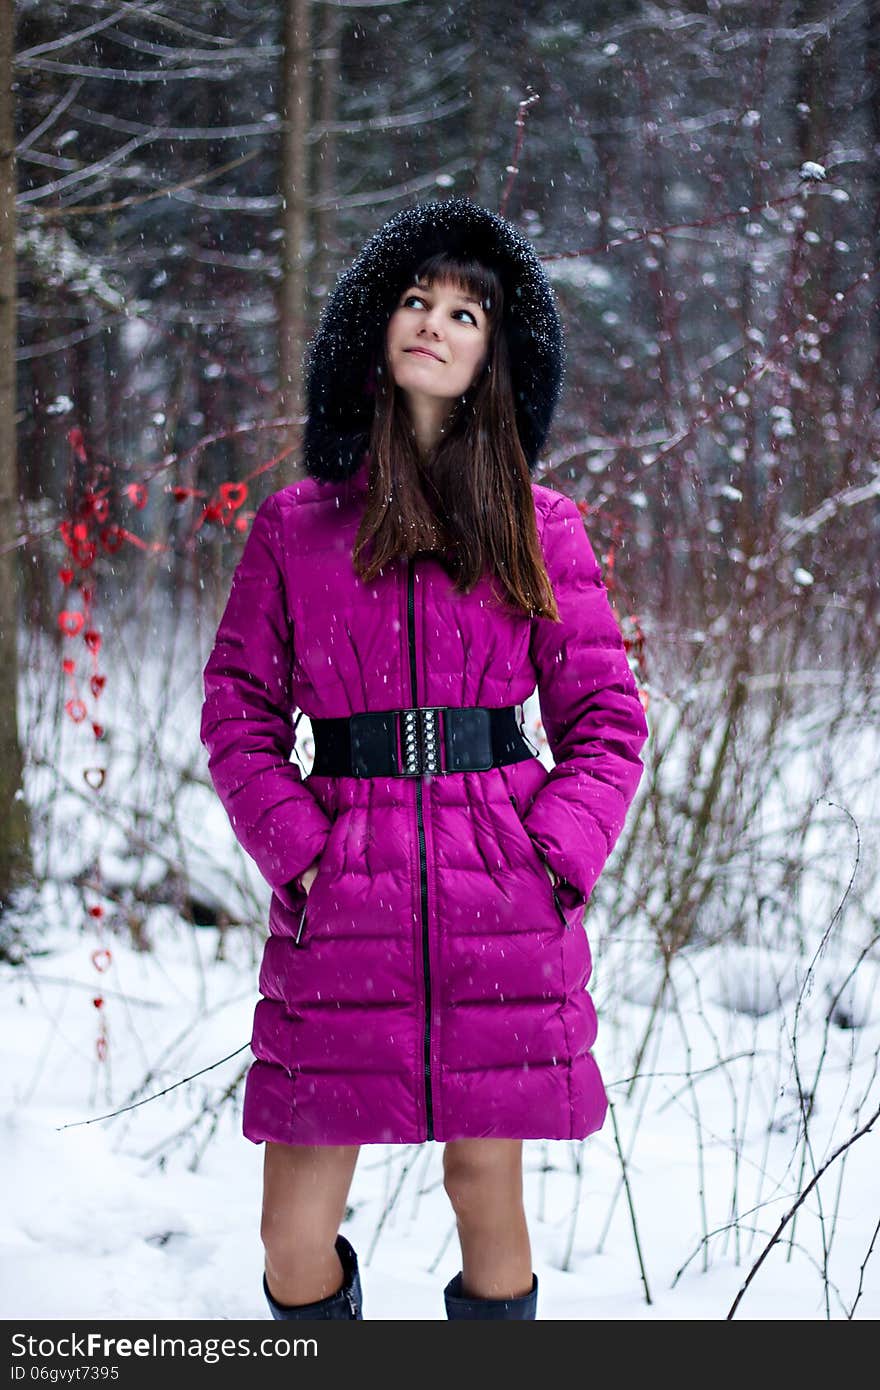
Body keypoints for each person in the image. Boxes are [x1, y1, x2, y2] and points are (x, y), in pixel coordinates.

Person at [200, 195, 649, 1321]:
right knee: (291, 1227)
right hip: (342, 896)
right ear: (378, 326)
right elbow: (237, 707)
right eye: (415, 301)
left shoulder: (539, 525)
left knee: (480, 1179)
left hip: (499, 895)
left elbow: (604, 717)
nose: (434, 324)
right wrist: (302, 853)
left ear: (494, 353)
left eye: (463, 313)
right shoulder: (297, 524)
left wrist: (551, 856)